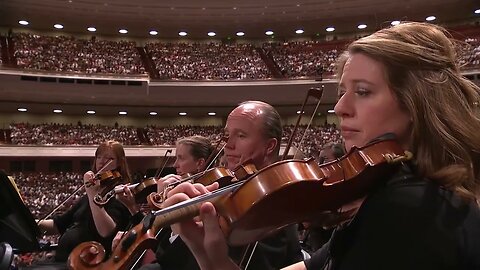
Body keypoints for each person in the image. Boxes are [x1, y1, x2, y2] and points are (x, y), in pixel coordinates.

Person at [162, 22, 480, 270]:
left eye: (364, 91)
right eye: (342, 90)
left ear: (416, 104)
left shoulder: (408, 209)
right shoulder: (397, 196)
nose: (340, 106)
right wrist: (211, 259)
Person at [151, 101, 304, 269]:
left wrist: (194, 239)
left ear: (269, 146)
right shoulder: (230, 191)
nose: (228, 144)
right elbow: (166, 261)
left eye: (241, 135)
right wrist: (179, 230)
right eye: (227, 135)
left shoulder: (272, 208)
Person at [115, 135, 215, 270]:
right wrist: (132, 208)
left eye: (181, 158)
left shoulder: (201, 198)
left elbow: (166, 254)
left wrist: (163, 203)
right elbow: (155, 241)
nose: (175, 165)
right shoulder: (181, 190)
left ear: (200, 163)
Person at [37, 140, 132, 263]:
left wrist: (92, 193)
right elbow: (59, 224)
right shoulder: (94, 190)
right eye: (99, 157)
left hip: (91, 262)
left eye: (109, 159)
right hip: (66, 259)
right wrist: (32, 223)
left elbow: (106, 231)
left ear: (120, 163)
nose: (102, 162)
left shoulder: (120, 192)